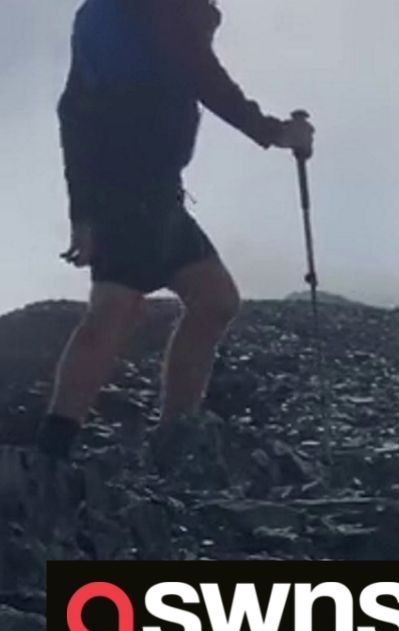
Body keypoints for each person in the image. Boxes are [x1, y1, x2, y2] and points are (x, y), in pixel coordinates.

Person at [32, 0, 315, 465]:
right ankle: (56, 449)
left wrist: (82, 211)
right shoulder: (161, 10)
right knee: (116, 306)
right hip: (135, 188)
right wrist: (275, 132)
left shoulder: (109, 16)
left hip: (150, 189)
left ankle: (170, 435)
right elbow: (201, 75)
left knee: (214, 300)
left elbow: (74, 110)